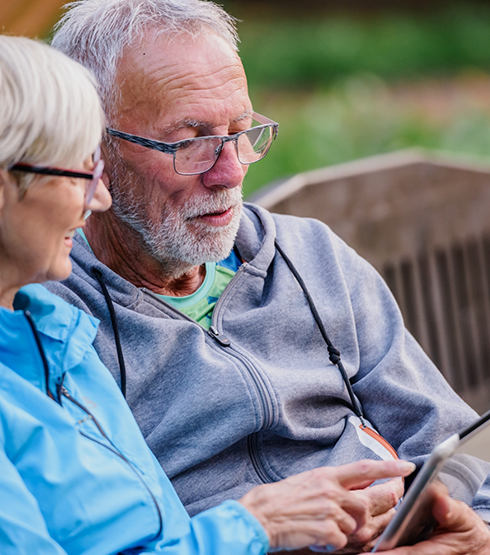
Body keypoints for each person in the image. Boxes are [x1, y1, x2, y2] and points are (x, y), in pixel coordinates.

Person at [0, 24, 418, 555]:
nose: (98, 198)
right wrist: (255, 526)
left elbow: (155, 535)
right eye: (189, 144)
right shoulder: (33, 335)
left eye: (241, 132)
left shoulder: (42, 330)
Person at [47, 0, 490, 553]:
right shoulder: (48, 322)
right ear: (93, 148)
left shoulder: (309, 255)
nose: (231, 170)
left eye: (241, 130)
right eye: (191, 143)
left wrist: (474, 533)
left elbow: (457, 450)